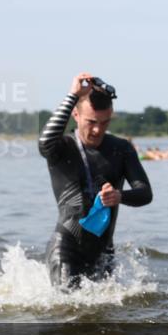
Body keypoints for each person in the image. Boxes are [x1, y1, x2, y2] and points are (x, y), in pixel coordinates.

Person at [39, 72, 153, 288]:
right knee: (68, 310)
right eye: (91, 122)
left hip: (104, 252)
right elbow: (44, 141)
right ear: (76, 114)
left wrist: (119, 196)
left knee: (106, 315)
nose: (97, 129)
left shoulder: (121, 148)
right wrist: (73, 95)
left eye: (105, 122)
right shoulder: (61, 148)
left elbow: (145, 193)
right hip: (66, 249)